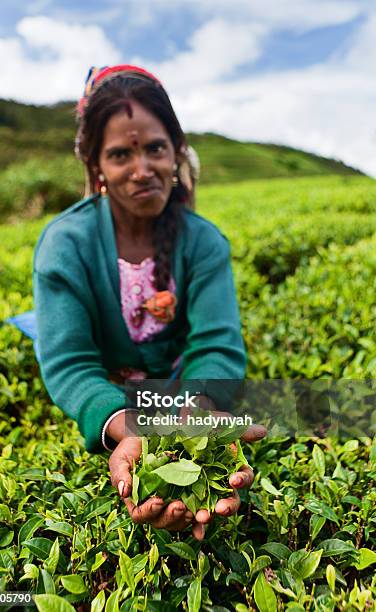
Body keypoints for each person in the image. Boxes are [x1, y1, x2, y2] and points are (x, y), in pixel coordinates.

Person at [32, 64, 265, 541]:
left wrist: (194, 413)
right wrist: (124, 422)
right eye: (120, 154)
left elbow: (217, 345)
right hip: (117, 389)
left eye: (156, 148)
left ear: (177, 150)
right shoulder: (65, 245)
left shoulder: (203, 243)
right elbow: (72, 364)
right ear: (96, 165)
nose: (142, 170)